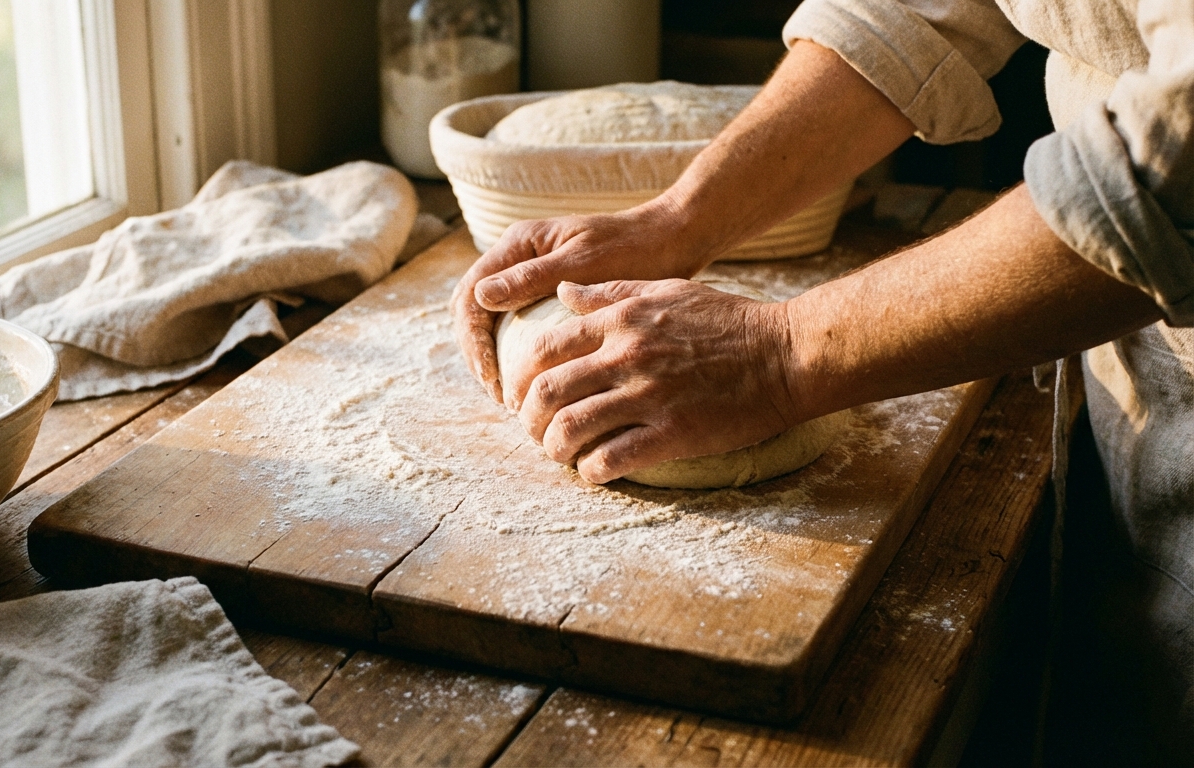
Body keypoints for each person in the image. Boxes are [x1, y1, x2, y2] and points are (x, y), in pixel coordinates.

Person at [452, 0, 1194, 760]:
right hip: (1114, 343)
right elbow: (910, 9)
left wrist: (777, 355)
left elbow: (1177, 162)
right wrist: (678, 221)